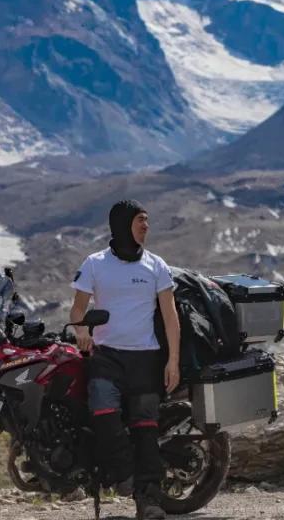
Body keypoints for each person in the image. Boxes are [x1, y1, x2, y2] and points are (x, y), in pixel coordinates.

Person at [71, 200, 181, 520]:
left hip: (146, 359)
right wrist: (81, 330)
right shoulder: (94, 264)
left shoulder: (156, 265)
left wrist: (172, 361)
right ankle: (123, 476)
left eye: (147, 220)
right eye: (140, 221)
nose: (146, 226)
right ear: (121, 224)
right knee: (103, 414)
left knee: (145, 429)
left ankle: (148, 501)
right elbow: (78, 309)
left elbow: (170, 317)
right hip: (106, 357)